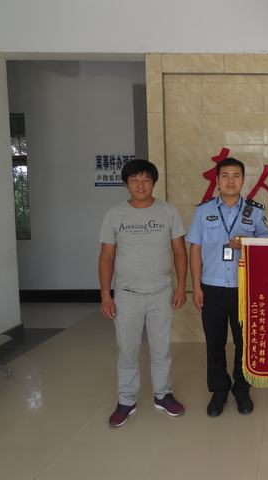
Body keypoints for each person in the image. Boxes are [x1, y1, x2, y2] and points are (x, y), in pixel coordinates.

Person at [99, 159, 188, 428]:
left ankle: (163, 394)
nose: (141, 185)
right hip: (127, 295)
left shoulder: (168, 212)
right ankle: (126, 400)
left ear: (153, 183)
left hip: (161, 292)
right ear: (126, 184)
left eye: (146, 179)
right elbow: (106, 257)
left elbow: (180, 252)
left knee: (162, 349)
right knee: (128, 350)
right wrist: (106, 295)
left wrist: (180, 287)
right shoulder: (115, 215)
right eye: (135, 180)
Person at [187, 157, 268, 417]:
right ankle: (219, 391)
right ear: (217, 180)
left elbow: (267, 245)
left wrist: (247, 242)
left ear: (243, 180)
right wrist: (196, 287)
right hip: (211, 287)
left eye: (236, 176)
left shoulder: (255, 212)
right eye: (225, 176)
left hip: (244, 288)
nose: (231, 181)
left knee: (244, 342)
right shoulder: (203, 211)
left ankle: (242, 389)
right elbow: (195, 249)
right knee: (215, 342)